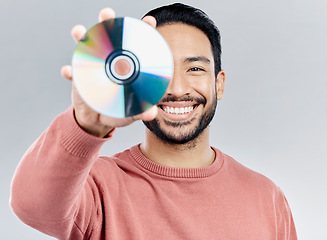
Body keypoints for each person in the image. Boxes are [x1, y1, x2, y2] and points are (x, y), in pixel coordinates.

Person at [10, 3, 297, 240]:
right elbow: (32, 206)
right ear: (134, 77)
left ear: (219, 84)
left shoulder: (266, 197)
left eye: (195, 68)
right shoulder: (96, 187)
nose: (177, 88)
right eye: (162, 69)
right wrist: (85, 125)